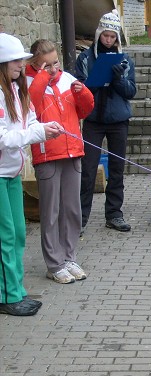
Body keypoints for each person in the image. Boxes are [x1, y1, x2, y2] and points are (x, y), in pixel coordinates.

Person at [0, 33, 63, 315]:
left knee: (20, 233)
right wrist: (38, 133)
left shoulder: (15, 89)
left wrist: (45, 127)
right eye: (17, 60)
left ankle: (15, 289)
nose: (21, 65)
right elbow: (5, 138)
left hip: (10, 172)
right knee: (6, 235)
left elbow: (31, 120)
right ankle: (8, 296)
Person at [26, 39, 94, 284]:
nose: (54, 69)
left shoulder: (66, 79)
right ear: (35, 63)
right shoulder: (29, 82)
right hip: (47, 155)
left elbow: (84, 111)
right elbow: (29, 107)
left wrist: (83, 93)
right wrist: (43, 77)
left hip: (72, 151)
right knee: (51, 212)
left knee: (72, 210)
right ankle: (54, 264)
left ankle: (69, 257)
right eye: (47, 65)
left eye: (56, 63)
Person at [75, 9, 136, 233]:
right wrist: (97, 80)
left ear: (117, 37)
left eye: (113, 37)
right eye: (105, 36)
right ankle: (80, 218)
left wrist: (118, 78)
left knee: (117, 169)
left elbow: (131, 91)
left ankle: (114, 214)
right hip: (93, 120)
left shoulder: (125, 59)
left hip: (118, 120)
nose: (109, 40)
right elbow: (78, 89)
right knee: (88, 169)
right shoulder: (85, 57)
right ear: (99, 33)